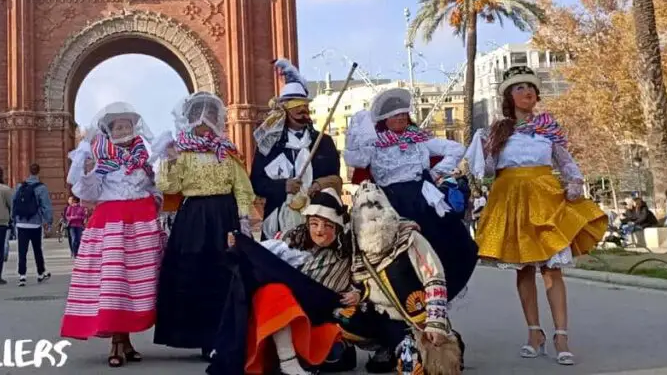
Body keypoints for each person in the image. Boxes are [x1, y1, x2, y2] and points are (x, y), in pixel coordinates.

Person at [465, 65, 608, 366]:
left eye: (530, 87)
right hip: (511, 200)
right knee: (524, 269)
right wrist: (481, 149)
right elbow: (490, 170)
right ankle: (534, 333)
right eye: (519, 88)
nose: (527, 92)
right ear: (508, 95)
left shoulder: (548, 128)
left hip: (545, 199)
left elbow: (566, 162)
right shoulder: (498, 130)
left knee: (552, 269)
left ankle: (561, 335)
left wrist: (574, 182)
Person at [344, 88, 478, 300]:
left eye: (403, 114)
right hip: (391, 204)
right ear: (384, 119)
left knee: (451, 246)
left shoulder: (419, 140)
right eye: (395, 115)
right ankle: (405, 308)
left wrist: (435, 173)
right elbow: (355, 160)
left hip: (422, 201)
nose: (400, 118)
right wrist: (357, 130)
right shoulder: (375, 145)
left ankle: (436, 303)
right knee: (398, 258)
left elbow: (455, 149)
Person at [60, 102, 166, 367]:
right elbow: (86, 193)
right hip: (112, 229)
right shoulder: (103, 162)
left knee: (133, 286)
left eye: (127, 125)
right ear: (109, 131)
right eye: (118, 126)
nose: (123, 129)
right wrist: (84, 166)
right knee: (114, 284)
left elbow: (156, 190)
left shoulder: (143, 160)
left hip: (141, 228)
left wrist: (154, 199)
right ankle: (117, 344)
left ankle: (126, 342)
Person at [154, 91, 255, 361]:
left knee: (225, 274)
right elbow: (169, 187)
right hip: (194, 218)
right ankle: (199, 337)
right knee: (195, 273)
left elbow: (242, 187)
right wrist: (170, 160)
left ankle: (222, 336)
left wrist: (244, 219)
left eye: (210, 114)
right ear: (190, 119)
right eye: (199, 115)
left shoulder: (226, 151)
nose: (205, 120)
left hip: (225, 215)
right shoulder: (182, 152)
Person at [211, 188, 354, 375]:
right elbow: (261, 261)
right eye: (315, 223)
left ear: (337, 228)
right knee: (274, 290)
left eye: (328, 226)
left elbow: (363, 283)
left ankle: (294, 359)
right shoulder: (289, 241)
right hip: (277, 315)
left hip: (317, 321)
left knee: (335, 352)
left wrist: (358, 293)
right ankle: (288, 361)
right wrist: (240, 247)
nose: (320, 231)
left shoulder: (347, 255)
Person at [336, 182, 463, 374]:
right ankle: (384, 349)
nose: (371, 214)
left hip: (414, 322)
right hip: (379, 315)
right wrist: (357, 295)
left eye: (377, 206)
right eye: (364, 208)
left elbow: (434, 278)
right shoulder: (357, 249)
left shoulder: (409, 238)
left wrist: (435, 323)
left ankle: (443, 339)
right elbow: (359, 283)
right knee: (342, 319)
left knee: (413, 367)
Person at [251, 59, 342, 240]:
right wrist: (283, 186)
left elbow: (335, 178)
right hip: (278, 220)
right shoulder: (270, 145)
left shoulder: (323, 142)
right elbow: (256, 182)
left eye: (305, 108)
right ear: (284, 111)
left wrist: (319, 185)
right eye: (297, 108)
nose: (303, 112)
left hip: (317, 220)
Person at [13, 163, 53, 287]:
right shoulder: (41, 187)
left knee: (22, 250)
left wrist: (13, 220)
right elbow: (46, 206)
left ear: (29, 172)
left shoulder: (20, 186)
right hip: (35, 223)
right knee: (37, 249)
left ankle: (22, 276)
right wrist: (48, 221)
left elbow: (14, 202)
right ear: (38, 172)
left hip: (21, 223)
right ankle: (40, 273)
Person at [64, 194, 87, 258]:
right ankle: (74, 253)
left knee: (79, 239)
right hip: (72, 225)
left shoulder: (81, 208)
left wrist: (76, 217)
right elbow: (67, 216)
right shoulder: (69, 207)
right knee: (74, 239)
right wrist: (74, 217)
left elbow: (83, 216)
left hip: (79, 225)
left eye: (71, 200)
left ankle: (79, 252)